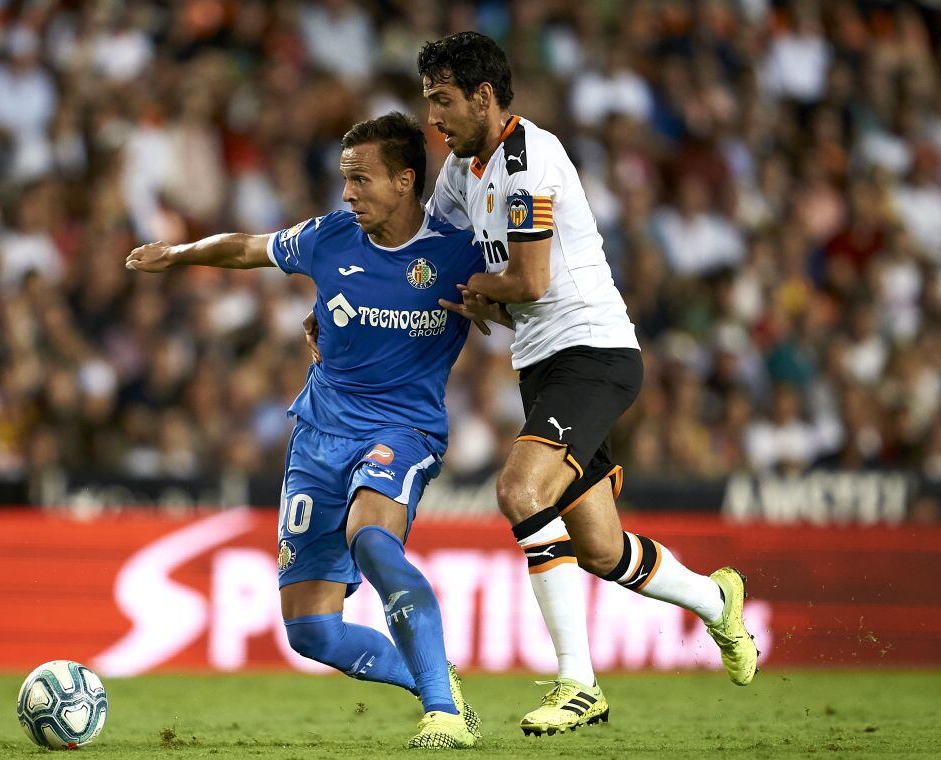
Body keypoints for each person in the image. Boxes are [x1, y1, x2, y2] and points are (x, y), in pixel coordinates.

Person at [419, 32, 759, 736]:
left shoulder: (526, 160)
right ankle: (716, 600)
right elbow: (428, 251)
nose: (435, 118)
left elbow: (532, 281)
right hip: (541, 363)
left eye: (444, 101)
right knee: (601, 549)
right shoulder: (460, 172)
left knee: (519, 490)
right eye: (428, 102)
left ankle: (579, 683)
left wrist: (476, 288)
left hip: (594, 351)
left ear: (484, 96)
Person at [126, 112, 483, 750]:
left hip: (402, 431)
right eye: (344, 180)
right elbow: (244, 248)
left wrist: (503, 305)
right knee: (311, 632)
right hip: (318, 434)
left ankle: (443, 713)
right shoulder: (328, 237)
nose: (347, 193)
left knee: (373, 539)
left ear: (405, 181)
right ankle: (436, 681)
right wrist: (175, 255)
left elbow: (528, 297)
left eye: (360, 180)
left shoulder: (458, 251)